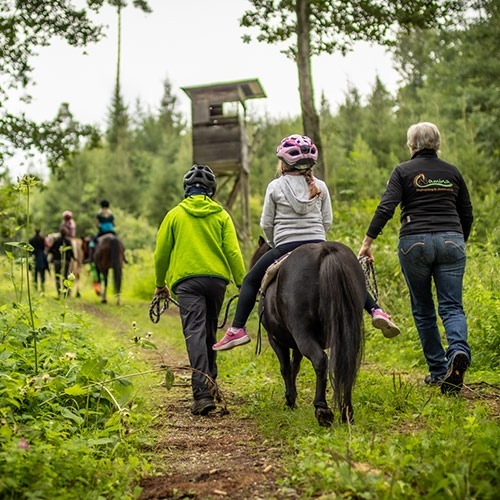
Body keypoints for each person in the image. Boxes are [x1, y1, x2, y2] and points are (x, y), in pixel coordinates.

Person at [214, 134, 399, 352]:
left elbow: (266, 222)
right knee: (350, 276)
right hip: (318, 241)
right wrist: (318, 237)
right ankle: (376, 310)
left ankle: (237, 329)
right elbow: (327, 220)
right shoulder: (320, 185)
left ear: (283, 163)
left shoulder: (275, 186)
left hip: (285, 245)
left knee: (250, 280)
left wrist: (275, 243)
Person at [358, 122, 474, 395]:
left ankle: (437, 371)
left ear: (411, 145)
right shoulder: (452, 172)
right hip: (451, 240)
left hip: (414, 242)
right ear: (437, 143)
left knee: (423, 309)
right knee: (452, 307)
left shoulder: (403, 171)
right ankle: (457, 351)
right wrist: (457, 241)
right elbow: (466, 213)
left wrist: (367, 242)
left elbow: (386, 207)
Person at [153, 164, 246, 416]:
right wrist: (243, 284)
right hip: (216, 281)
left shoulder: (174, 215)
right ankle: (210, 381)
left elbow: (161, 253)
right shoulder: (221, 215)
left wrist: (160, 283)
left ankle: (202, 393)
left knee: (194, 332)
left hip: (187, 282)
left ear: (186, 189)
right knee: (208, 331)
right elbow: (233, 252)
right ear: (212, 190)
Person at [47, 228, 74, 297]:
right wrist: (73, 258)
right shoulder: (68, 241)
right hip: (66, 261)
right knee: (66, 276)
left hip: (57, 261)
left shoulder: (56, 241)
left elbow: (50, 250)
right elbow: (71, 251)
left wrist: (55, 253)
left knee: (57, 277)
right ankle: (66, 293)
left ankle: (59, 292)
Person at [29, 228, 49, 292]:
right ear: (40, 231)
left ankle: (35, 288)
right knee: (42, 274)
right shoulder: (43, 239)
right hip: (41, 257)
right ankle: (42, 289)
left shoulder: (31, 240)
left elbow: (29, 250)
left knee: (34, 274)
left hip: (34, 257)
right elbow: (46, 246)